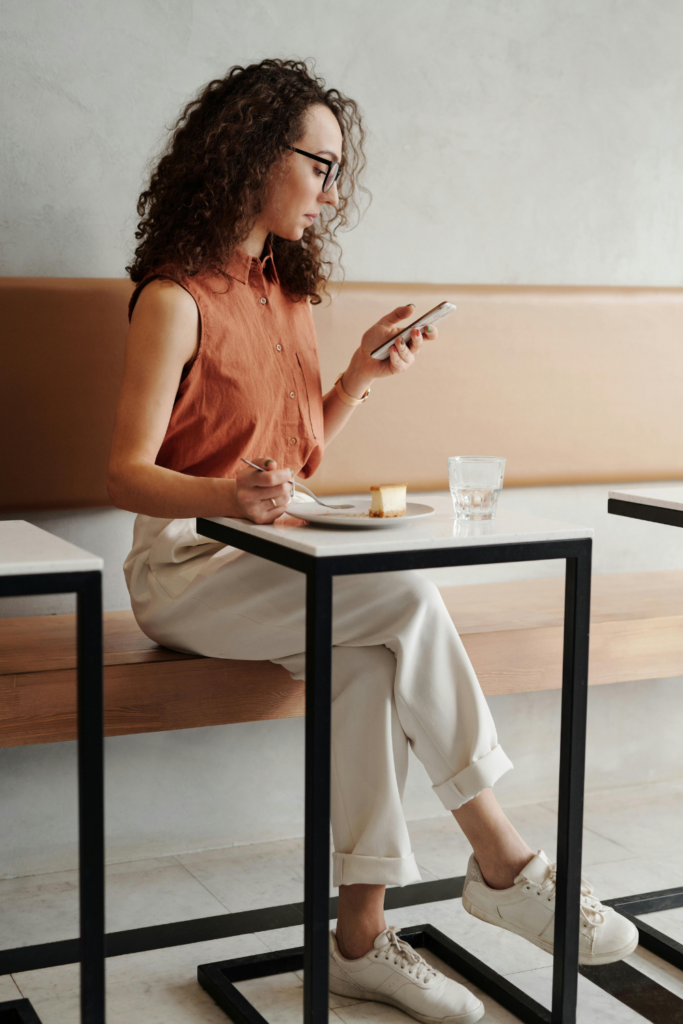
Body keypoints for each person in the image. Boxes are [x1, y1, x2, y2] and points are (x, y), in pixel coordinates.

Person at [108, 59, 637, 1024]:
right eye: (321, 164)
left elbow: (299, 450)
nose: (331, 190)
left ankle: (357, 943)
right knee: (400, 596)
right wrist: (229, 492)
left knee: (362, 665)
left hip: (282, 557)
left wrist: (355, 376)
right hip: (186, 568)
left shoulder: (287, 295)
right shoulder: (173, 299)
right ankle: (504, 861)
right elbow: (124, 470)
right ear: (256, 156)